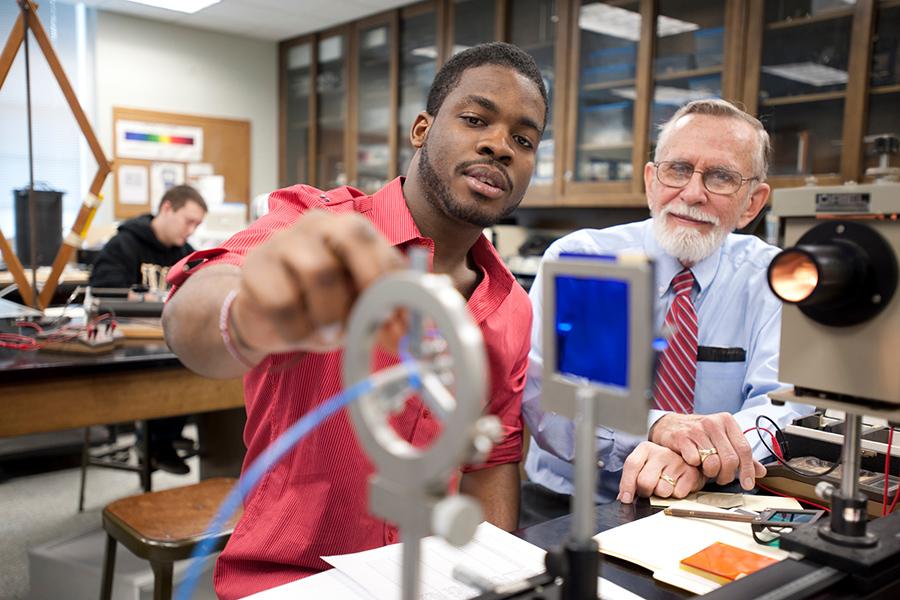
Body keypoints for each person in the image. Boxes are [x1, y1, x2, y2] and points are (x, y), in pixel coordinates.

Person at [162, 42, 547, 599]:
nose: (499, 145)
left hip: (428, 580)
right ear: (421, 129)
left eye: (524, 139)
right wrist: (250, 314)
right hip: (290, 581)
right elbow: (191, 319)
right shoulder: (314, 223)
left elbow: (491, 461)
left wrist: (492, 583)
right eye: (474, 119)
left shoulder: (512, 306)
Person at [520, 99, 814, 527]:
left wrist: (703, 455)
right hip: (566, 504)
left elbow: (784, 406)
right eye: (678, 169)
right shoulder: (585, 261)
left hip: (707, 501)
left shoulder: (773, 278)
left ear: (752, 202)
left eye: (721, 177)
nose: (693, 194)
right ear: (651, 180)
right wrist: (654, 428)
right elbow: (548, 398)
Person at [90, 184, 207, 475]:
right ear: (167, 208)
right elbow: (105, 290)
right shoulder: (124, 244)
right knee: (167, 373)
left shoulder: (185, 252)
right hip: (131, 345)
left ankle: (165, 434)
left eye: (197, 224)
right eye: (188, 221)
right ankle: (156, 441)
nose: (191, 230)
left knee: (199, 366)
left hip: (170, 340)